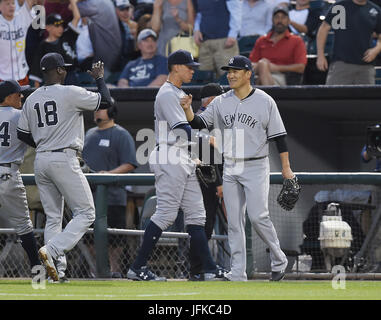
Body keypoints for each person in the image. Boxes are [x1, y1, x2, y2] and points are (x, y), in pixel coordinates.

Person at [181, 55, 295, 281]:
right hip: (231, 165)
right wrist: (187, 110)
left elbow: (279, 137)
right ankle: (237, 272)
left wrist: (286, 168)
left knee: (258, 216)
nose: (230, 75)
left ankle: (279, 259)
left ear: (247, 74)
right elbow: (198, 123)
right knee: (234, 222)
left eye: (235, 71)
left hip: (256, 164)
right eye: (228, 71)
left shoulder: (265, 100)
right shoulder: (221, 101)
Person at [126, 49, 228, 281]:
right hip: (171, 154)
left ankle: (208, 268)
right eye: (189, 66)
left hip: (182, 156)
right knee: (165, 215)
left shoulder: (178, 93)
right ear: (175, 68)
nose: (193, 70)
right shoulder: (167, 93)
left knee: (197, 215)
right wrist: (207, 139)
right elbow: (182, 131)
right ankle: (138, 267)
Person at [16, 53, 114, 282]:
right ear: (59, 70)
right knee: (87, 213)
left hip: (41, 159)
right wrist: (99, 78)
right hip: (64, 157)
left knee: (53, 217)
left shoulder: (31, 98)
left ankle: (55, 272)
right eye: (64, 68)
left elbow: (22, 133)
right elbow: (106, 102)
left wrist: (43, 143)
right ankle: (52, 251)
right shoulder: (70, 91)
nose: (66, 71)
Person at [82, 104, 138, 277]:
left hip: (113, 197)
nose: (96, 112)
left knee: (115, 240)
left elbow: (130, 163)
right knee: (90, 238)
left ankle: (114, 270)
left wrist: (108, 174)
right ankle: (96, 269)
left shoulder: (121, 134)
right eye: (95, 109)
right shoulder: (89, 134)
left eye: (101, 109)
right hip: (88, 197)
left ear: (112, 112)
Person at [0, 80, 41, 274]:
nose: (21, 97)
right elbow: (37, 141)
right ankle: (37, 272)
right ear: (8, 97)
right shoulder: (20, 115)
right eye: (18, 94)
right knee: (24, 225)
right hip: (8, 173)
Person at [316, 0, 381, 85]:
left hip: (366, 66)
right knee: (334, 96)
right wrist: (320, 55)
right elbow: (324, 28)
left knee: (366, 97)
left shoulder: (375, 10)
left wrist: (376, 49)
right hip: (341, 63)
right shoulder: (340, 6)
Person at [249, 6, 307, 85]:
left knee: (263, 65)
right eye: (277, 17)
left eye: (283, 17)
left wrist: (275, 68)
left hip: (283, 77)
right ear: (272, 20)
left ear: (289, 20)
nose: (280, 21)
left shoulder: (296, 40)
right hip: (259, 75)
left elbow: (301, 67)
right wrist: (263, 66)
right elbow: (251, 64)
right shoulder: (262, 40)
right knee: (262, 64)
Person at [29, 0, 82, 87]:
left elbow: (77, 17)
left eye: (61, 25)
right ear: (48, 27)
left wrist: (72, 2)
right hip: (54, 79)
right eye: (57, 25)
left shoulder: (67, 35)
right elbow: (36, 73)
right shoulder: (43, 46)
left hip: (71, 75)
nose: (60, 28)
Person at [193, 0, 242, 78]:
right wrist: (196, 29)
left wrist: (233, 34)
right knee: (204, 78)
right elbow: (199, 13)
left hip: (225, 41)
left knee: (229, 77)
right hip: (205, 42)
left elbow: (236, 12)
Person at [0, 0, 44, 85]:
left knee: (22, 98)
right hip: (2, 75)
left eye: (13, 3)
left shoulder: (21, 17)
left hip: (21, 74)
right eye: (7, 4)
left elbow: (29, 2)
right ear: (0, 7)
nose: (11, 6)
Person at [77, 0, 122, 74]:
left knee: (100, 81)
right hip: (110, 53)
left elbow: (72, 8)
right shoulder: (107, 2)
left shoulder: (96, 3)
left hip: (105, 57)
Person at [114, 0, 139, 68]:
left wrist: (135, 37)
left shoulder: (136, 25)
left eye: (127, 9)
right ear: (116, 11)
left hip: (133, 61)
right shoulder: (112, 28)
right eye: (122, 9)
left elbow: (138, 49)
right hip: (117, 64)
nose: (125, 13)